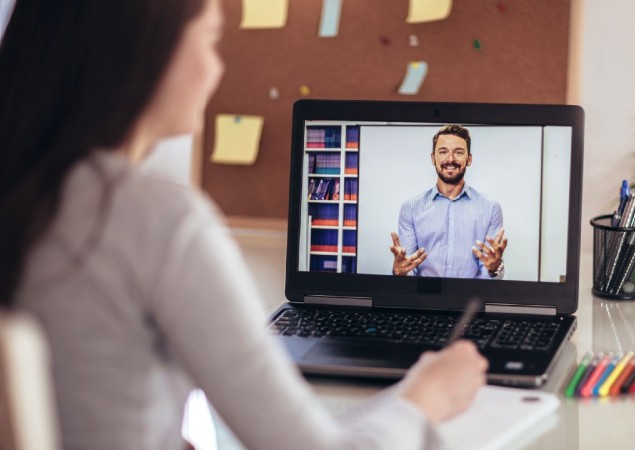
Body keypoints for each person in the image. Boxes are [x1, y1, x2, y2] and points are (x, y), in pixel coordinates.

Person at [0, 1, 488, 449]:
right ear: (149, 50)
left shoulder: (27, 190)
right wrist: (423, 398)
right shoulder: (157, 220)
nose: (217, 68)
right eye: (212, 40)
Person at [390, 125, 508, 279]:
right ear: (433, 158)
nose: (450, 159)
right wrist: (399, 272)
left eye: (458, 152)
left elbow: (488, 269)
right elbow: (408, 267)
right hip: (424, 299)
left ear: (469, 159)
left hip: (470, 299)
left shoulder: (491, 208)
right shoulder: (411, 208)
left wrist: (494, 269)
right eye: (443, 151)